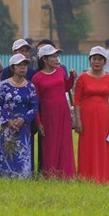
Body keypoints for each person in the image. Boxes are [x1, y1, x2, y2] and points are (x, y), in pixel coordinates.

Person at [73, 46, 109, 184]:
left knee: (104, 146)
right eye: (94, 59)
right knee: (87, 146)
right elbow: (76, 101)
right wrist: (78, 120)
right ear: (90, 60)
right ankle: (86, 176)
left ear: (104, 61)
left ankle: (105, 177)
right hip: (87, 118)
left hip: (104, 118)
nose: (96, 62)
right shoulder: (83, 78)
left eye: (99, 59)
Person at [32, 44, 76, 179]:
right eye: (53, 56)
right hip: (48, 116)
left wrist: (72, 77)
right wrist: (38, 123)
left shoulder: (60, 72)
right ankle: (51, 175)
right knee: (50, 145)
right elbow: (35, 103)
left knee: (65, 143)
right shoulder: (37, 78)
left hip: (63, 113)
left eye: (57, 56)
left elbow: (66, 87)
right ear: (44, 59)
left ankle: (67, 175)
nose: (56, 59)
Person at [0, 54, 39, 179]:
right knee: (7, 151)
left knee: (23, 152)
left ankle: (23, 177)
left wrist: (23, 119)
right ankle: (6, 176)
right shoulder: (4, 85)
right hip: (7, 126)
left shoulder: (30, 86)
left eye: (25, 65)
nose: (23, 68)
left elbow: (34, 106)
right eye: (19, 65)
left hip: (24, 126)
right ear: (12, 68)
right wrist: (8, 121)